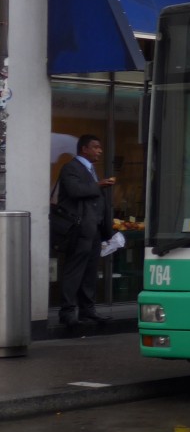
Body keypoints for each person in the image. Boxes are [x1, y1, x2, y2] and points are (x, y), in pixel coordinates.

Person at [56, 134, 116, 326]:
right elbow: (75, 191)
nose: (99, 151)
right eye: (96, 147)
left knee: (90, 272)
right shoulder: (71, 168)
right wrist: (99, 185)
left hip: (94, 230)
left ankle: (87, 311)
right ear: (84, 149)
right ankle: (67, 312)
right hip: (79, 229)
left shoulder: (91, 170)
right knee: (74, 270)